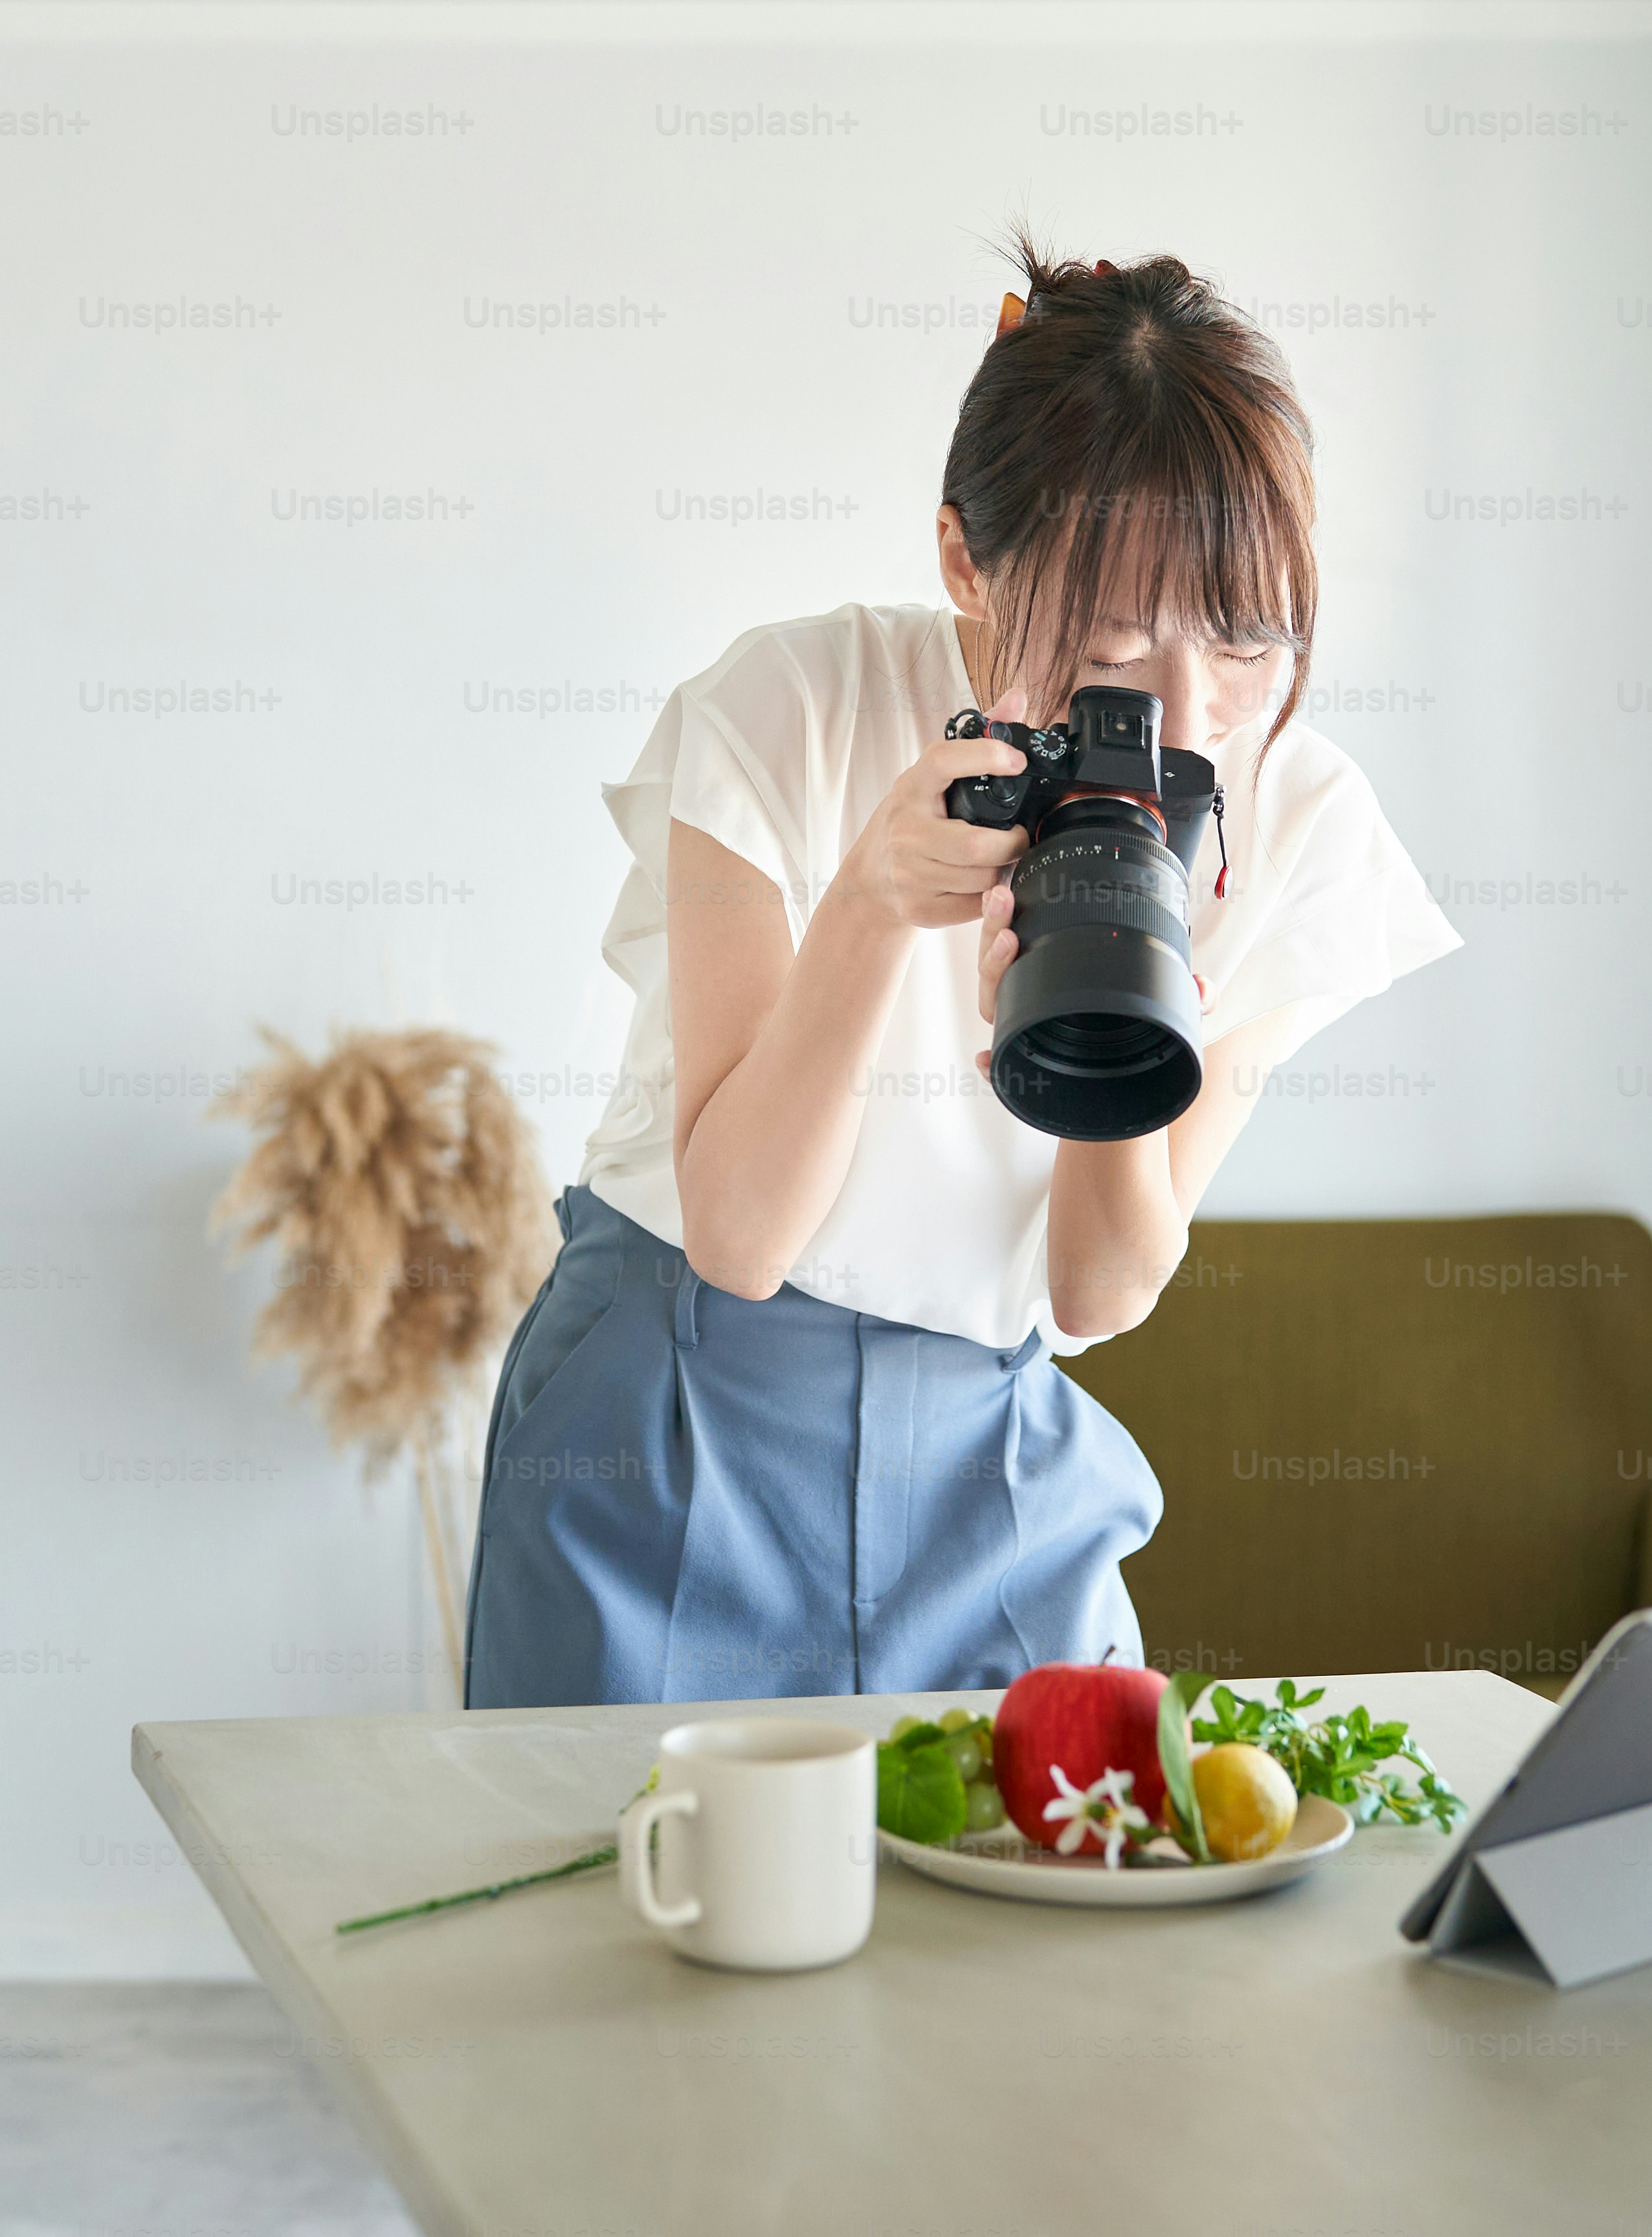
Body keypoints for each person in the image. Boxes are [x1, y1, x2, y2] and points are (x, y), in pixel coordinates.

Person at [460, 238, 1458, 1708]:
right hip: (673, 1399)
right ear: (962, 561)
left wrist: (1100, 1014)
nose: (1177, 711)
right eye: (1111, 640)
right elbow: (736, 1236)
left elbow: (1098, 1290)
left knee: (1059, 1903)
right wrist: (868, 905)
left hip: (991, 1436)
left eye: (1240, 640)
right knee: (625, 1911)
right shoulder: (785, 706)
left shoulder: (1300, 817)